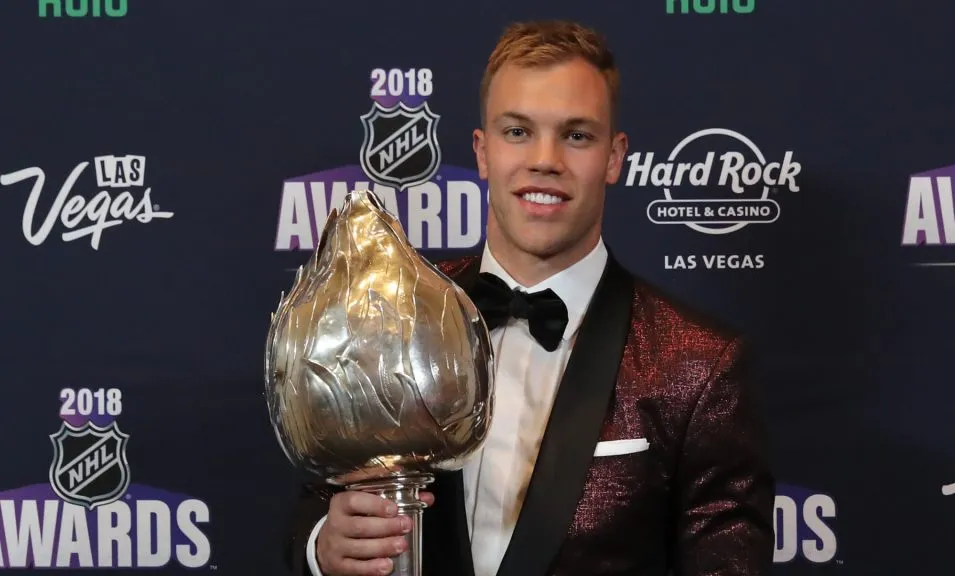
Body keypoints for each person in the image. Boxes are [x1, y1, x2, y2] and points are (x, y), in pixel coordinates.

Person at [284, 19, 775, 576]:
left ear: (614, 158)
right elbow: (318, 501)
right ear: (483, 150)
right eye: (518, 131)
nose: (545, 159)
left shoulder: (701, 364)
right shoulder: (393, 316)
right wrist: (323, 546)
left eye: (577, 135)